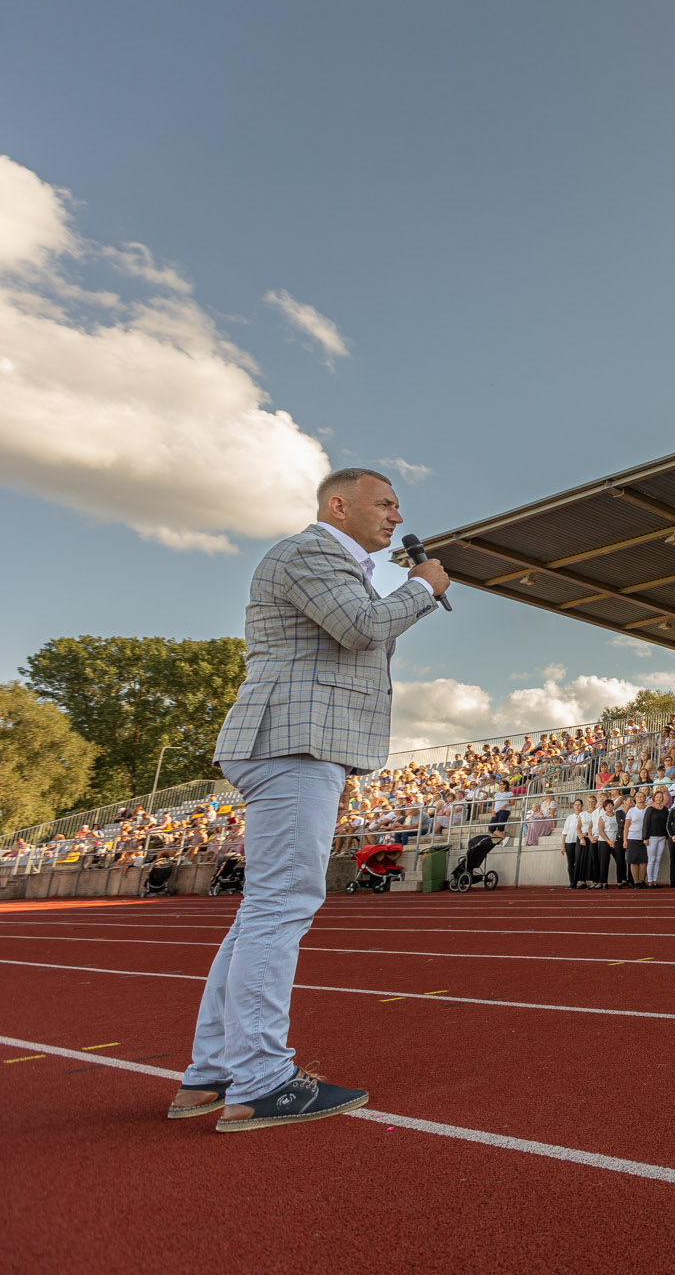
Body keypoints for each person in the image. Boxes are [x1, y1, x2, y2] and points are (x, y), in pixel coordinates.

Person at [172, 466, 448, 1132]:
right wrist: (421, 586)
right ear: (338, 504)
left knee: (259, 913)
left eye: (396, 505)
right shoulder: (311, 550)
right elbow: (358, 628)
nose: (394, 514)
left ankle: (209, 1074)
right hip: (292, 740)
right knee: (280, 905)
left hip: (295, 740)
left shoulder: (333, 561)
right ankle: (261, 1080)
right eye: (383, 503)